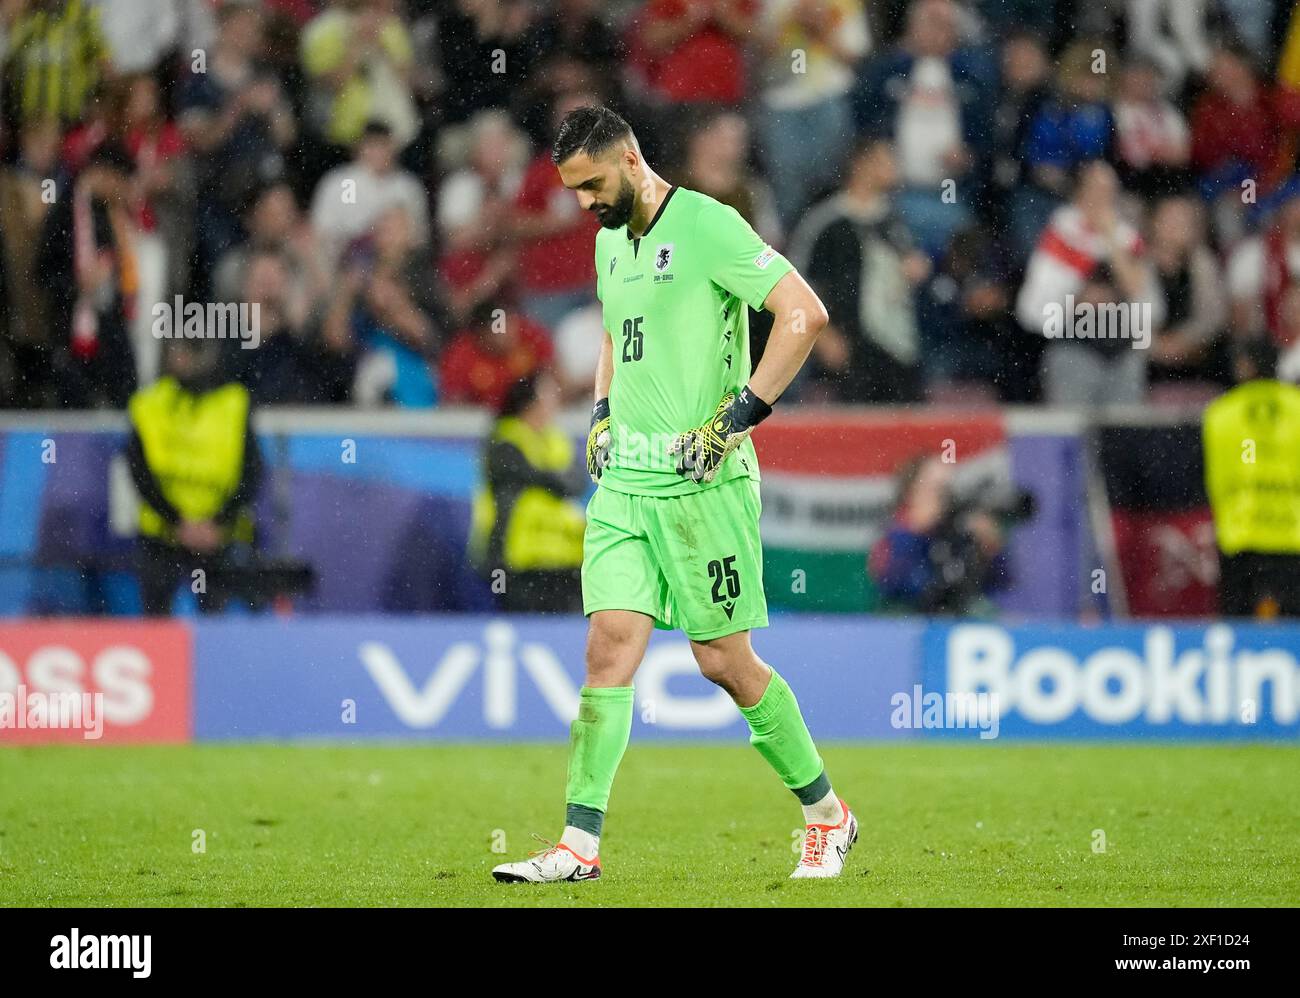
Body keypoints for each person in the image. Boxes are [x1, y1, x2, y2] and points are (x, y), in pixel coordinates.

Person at [490, 105, 856, 884]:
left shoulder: (710, 227)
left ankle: (828, 815)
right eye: (573, 191)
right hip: (626, 482)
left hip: (704, 482)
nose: (584, 203)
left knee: (722, 660)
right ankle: (578, 847)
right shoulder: (607, 245)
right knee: (607, 649)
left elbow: (804, 314)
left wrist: (736, 418)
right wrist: (598, 410)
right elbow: (619, 341)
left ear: (628, 158)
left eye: (591, 185)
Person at [126, 339, 263, 615]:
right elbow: (138, 472)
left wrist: (217, 522)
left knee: (214, 627)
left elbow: (252, 472)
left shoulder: (234, 403)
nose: (181, 358)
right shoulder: (149, 404)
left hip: (219, 537)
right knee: (156, 624)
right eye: (178, 349)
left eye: (191, 349)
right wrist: (178, 521)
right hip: (163, 535)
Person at [468, 372, 587, 613]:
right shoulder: (504, 440)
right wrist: (555, 478)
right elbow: (532, 475)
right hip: (519, 561)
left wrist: (554, 479)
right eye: (548, 393)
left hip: (566, 559)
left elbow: (577, 483)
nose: (554, 400)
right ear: (530, 401)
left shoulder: (557, 438)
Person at [1202, 338, 1300, 618]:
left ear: (1246, 366)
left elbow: (1214, 476)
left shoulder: (1220, 413)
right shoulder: (1297, 407)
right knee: (1294, 627)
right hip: (1293, 533)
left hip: (1241, 531)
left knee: (1238, 625)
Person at [868, 454, 1009, 615]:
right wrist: (917, 531)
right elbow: (893, 582)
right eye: (936, 489)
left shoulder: (956, 531)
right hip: (907, 620)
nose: (944, 499)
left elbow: (1000, 582)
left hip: (958, 617)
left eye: (948, 490)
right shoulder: (893, 532)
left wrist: (990, 546)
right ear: (912, 490)